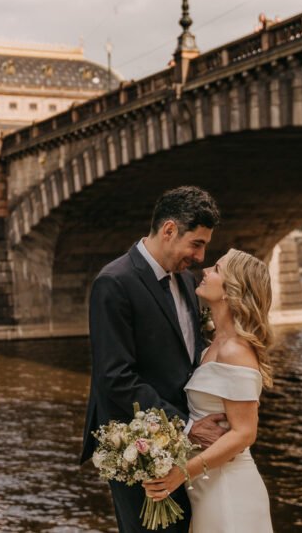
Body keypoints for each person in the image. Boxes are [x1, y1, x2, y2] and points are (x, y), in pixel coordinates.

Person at [80, 186, 227, 533]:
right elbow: (115, 377)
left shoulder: (188, 282)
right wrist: (188, 427)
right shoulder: (114, 283)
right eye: (197, 244)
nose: (201, 257)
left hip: (184, 446)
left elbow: (187, 361)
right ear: (169, 230)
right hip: (138, 446)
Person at [143, 249, 275, 532]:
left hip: (229, 490)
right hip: (206, 486)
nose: (205, 271)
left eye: (216, 269)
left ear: (231, 290)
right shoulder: (213, 343)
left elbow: (244, 433)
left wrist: (180, 473)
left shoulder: (235, 350)